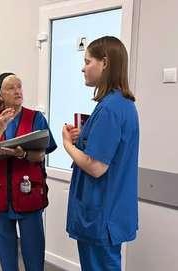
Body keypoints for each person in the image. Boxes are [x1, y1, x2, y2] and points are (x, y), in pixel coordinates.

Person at [62, 36, 139, 271]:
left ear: (104, 63)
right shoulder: (121, 104)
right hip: (109, 211)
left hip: (101, 214)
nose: (83, 68)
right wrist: (84, 139)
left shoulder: (110, 109)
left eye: (87, 61)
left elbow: (96, 167)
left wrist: (68, 145)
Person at [0, 72, 57, 271]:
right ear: (0, 95)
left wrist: (21, 153)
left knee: (34, 254)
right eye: (11, 88)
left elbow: (41, 154)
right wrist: (0, 127)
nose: (17, 91)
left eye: (19, 86)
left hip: (29, 195)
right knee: (7, 256)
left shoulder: (36, 118)